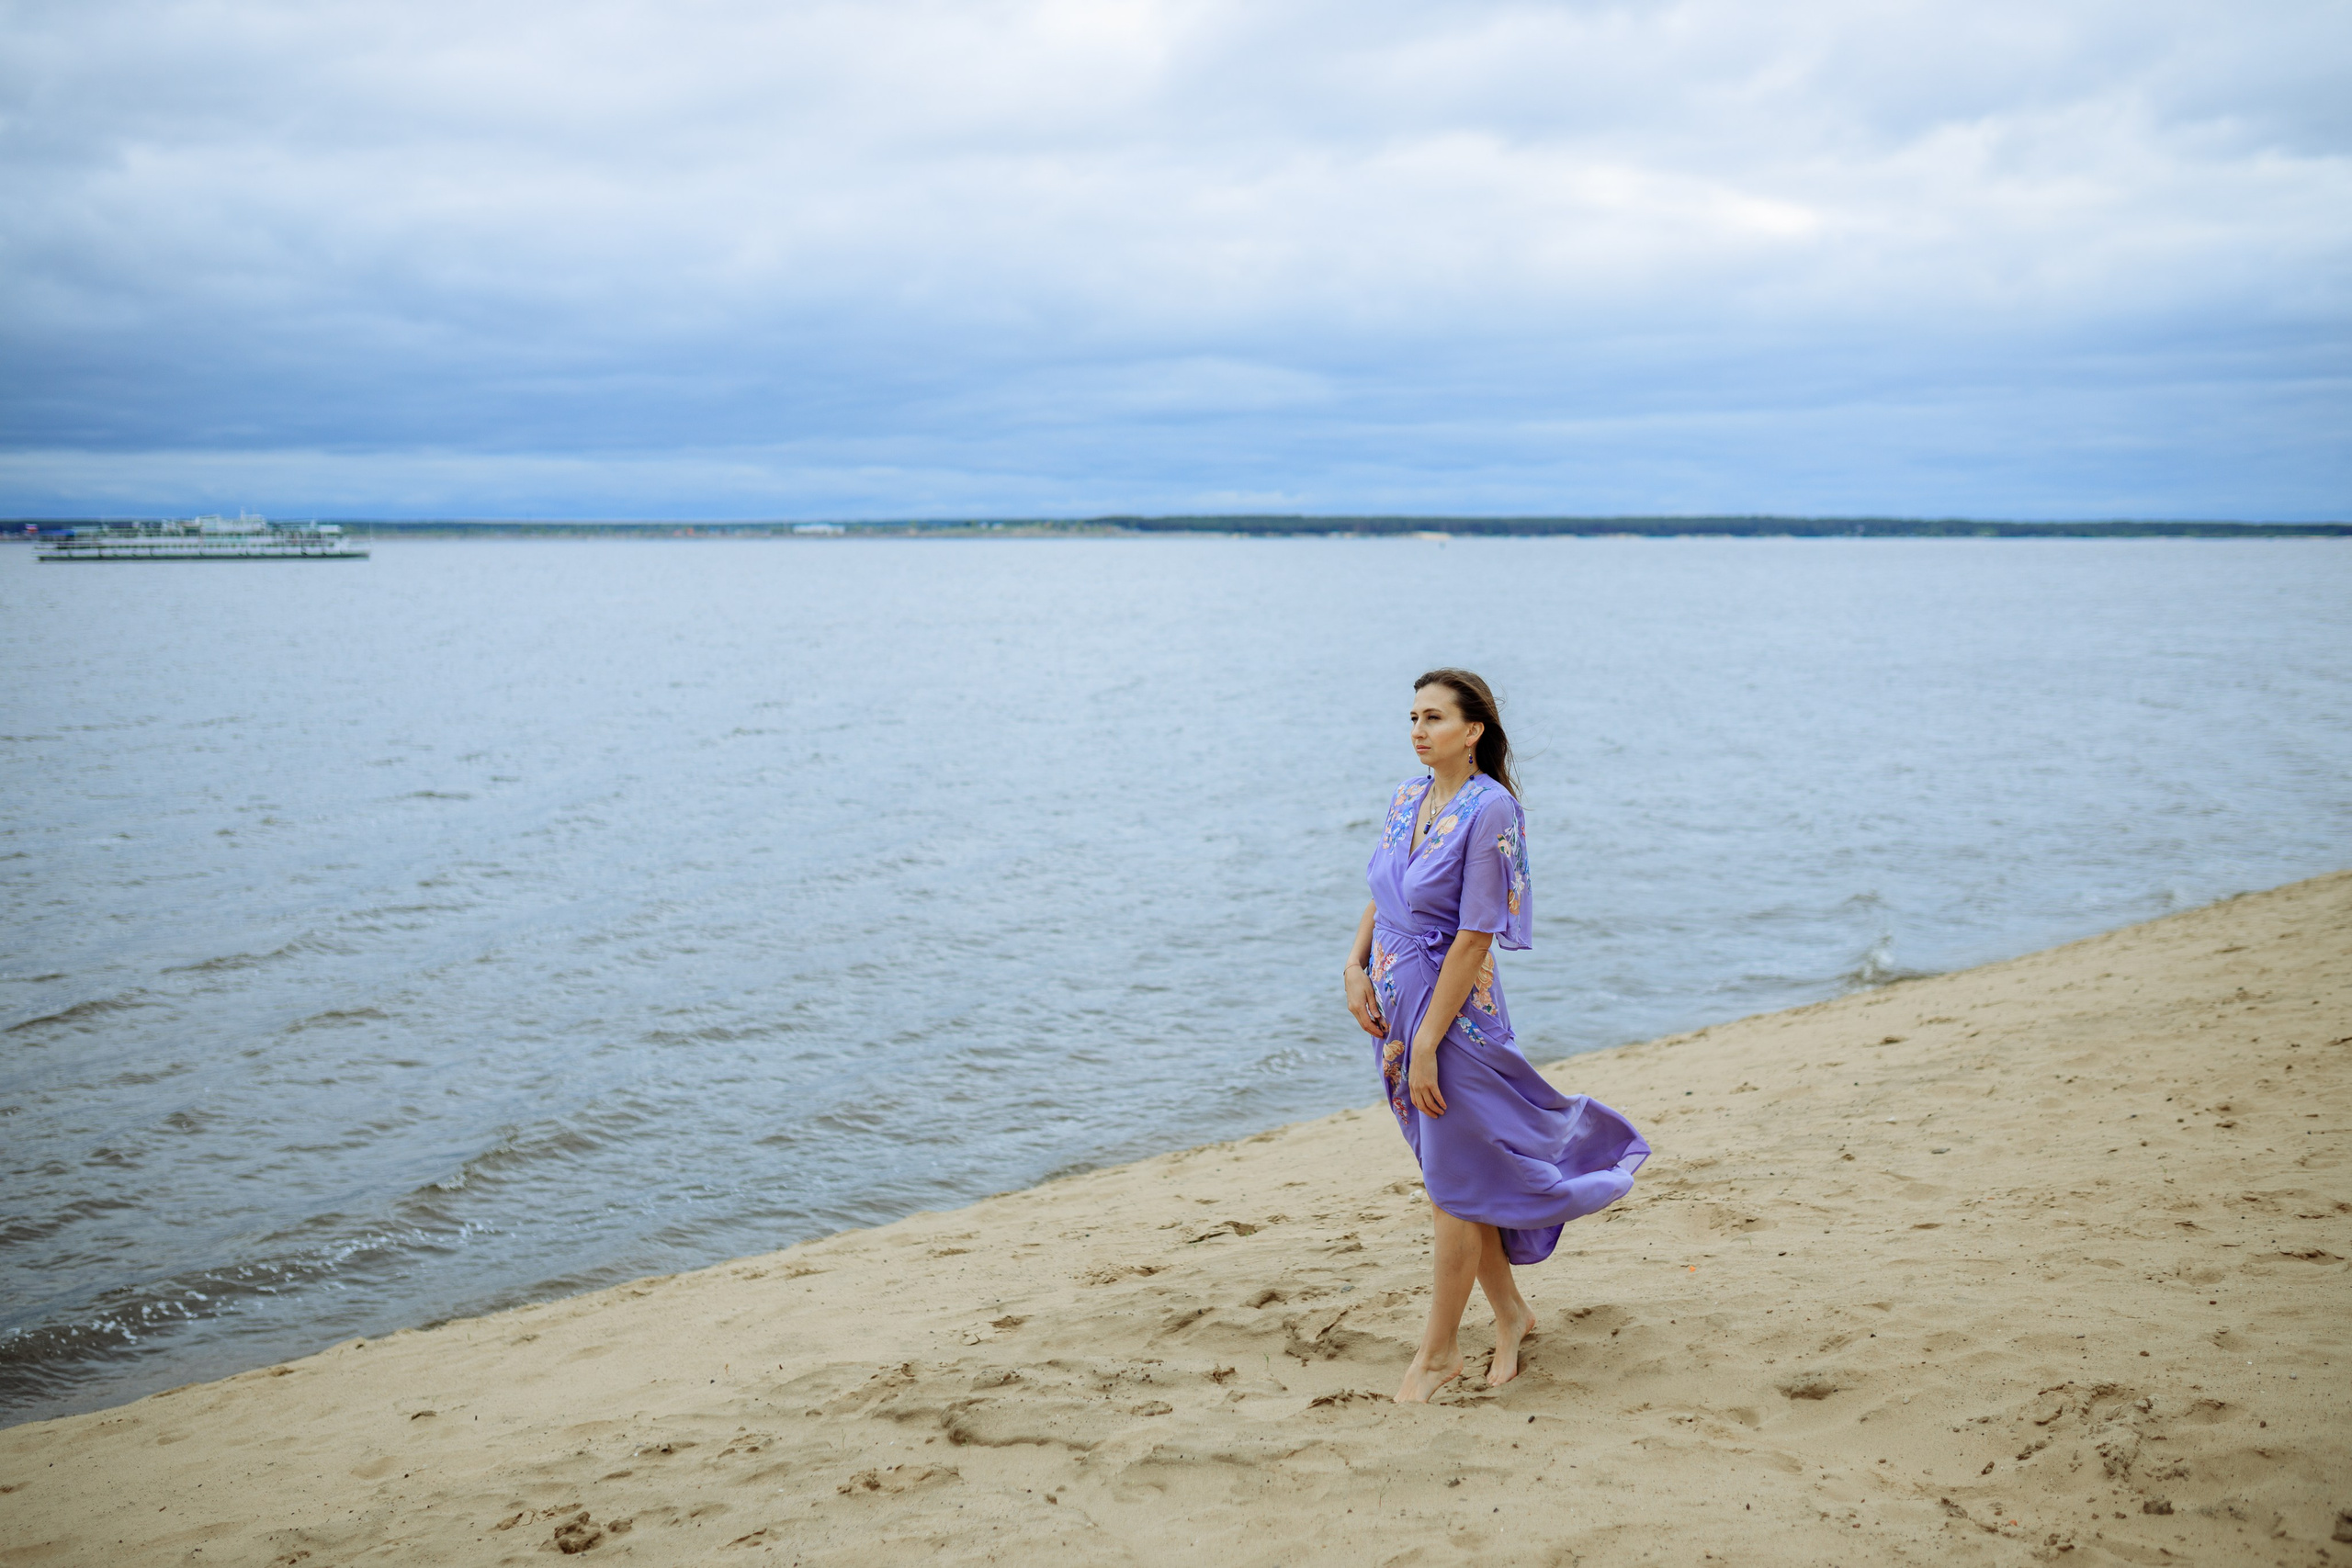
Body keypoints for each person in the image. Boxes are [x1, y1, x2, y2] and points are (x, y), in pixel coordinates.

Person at [1343, 668, 1650, 1403]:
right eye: (1412, 717)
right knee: (1458, 1176)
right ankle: (1509, 1313)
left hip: (1453, 1023)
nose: (1418, 730)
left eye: (1434, 718)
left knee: (1452, 1185)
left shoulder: (1493, 810)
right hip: (1394, 1011)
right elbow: (1382, 889)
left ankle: (1437, 1353)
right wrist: (1351, 966)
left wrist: (1426, 1043)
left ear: (1473, 729)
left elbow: (1477, 933)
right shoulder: (1407, 796)